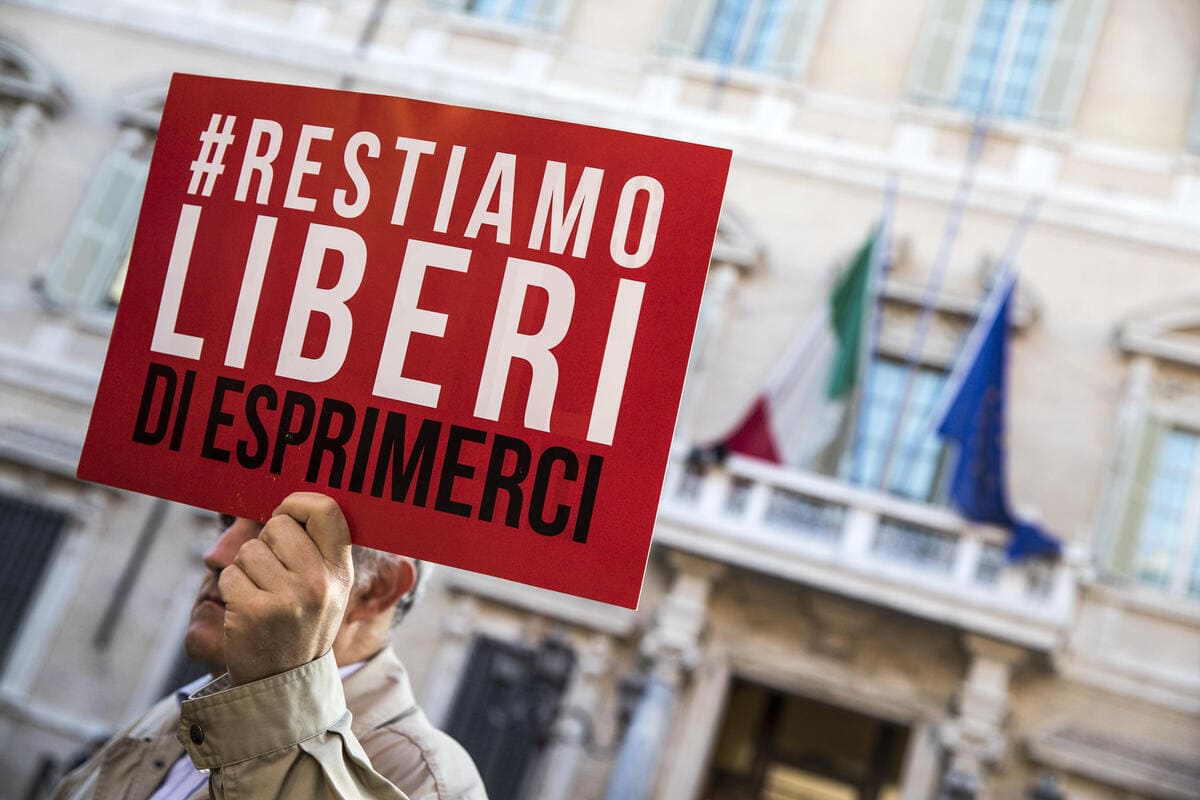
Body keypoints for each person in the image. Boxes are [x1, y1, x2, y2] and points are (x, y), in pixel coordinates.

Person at [52, 492, 488, 800]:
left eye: (275, 536)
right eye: (227, 523)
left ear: (376, 589)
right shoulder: (182, 708)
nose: (218, 553)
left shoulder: (429, 780)